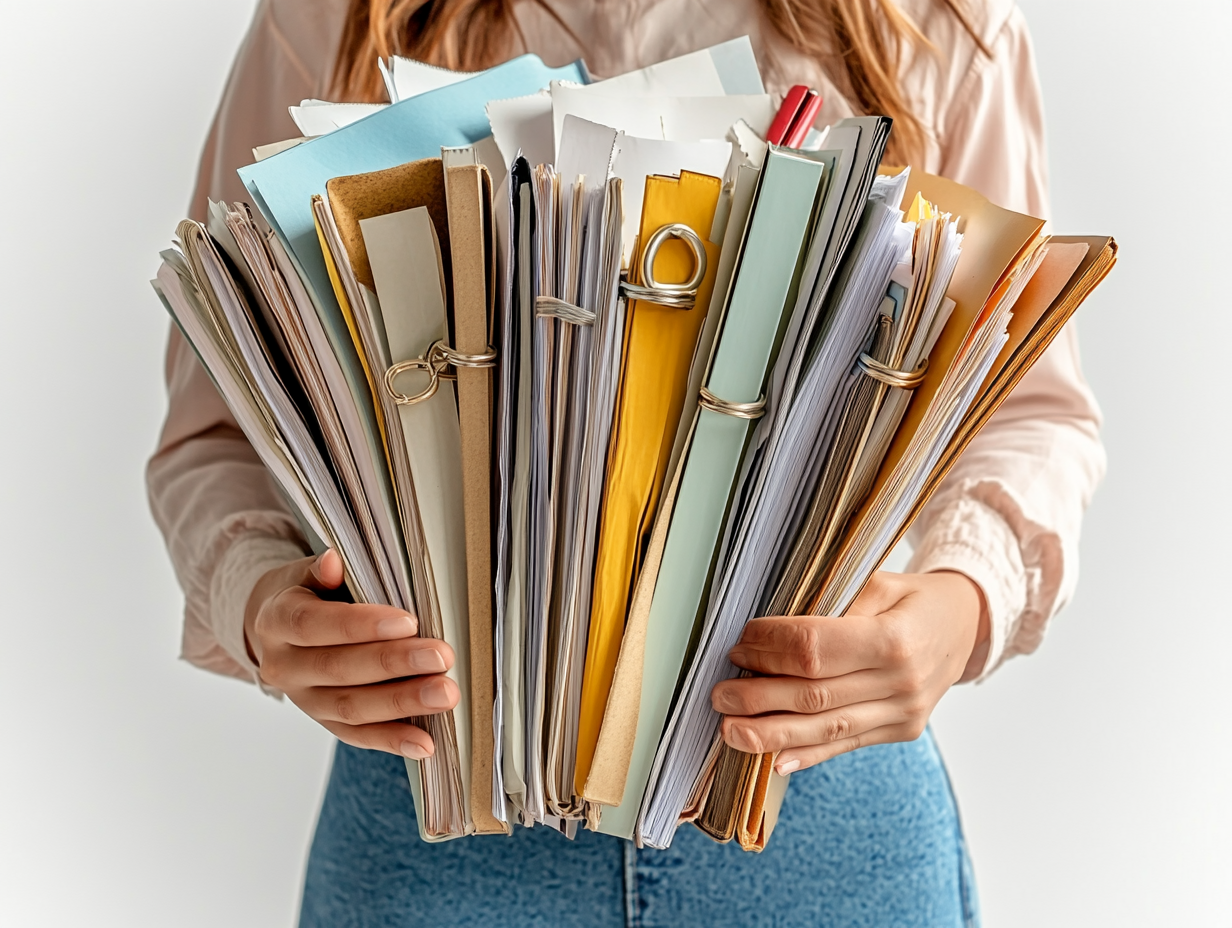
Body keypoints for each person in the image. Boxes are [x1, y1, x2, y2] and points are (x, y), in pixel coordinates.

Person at [147, 0, 1105, 924]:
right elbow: (221, 423)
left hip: (808, 785)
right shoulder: (335, 17)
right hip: (436, 792)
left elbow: (1031, 410)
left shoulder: (931, 18)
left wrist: (958, 607)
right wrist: (263, 603)